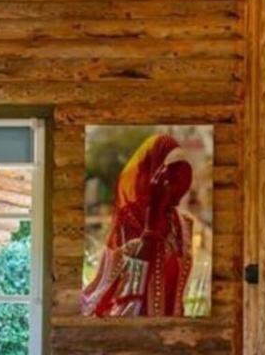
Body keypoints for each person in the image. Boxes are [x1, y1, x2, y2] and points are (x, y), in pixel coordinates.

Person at [82, 133, 194, 317]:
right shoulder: (130, 218)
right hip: (135, 326)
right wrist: (152, 221)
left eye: (183, 177)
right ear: (152, 173)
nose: (178, 186)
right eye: (172, 177)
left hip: (174, 327)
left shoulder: (183, 224)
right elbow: (131, 283)